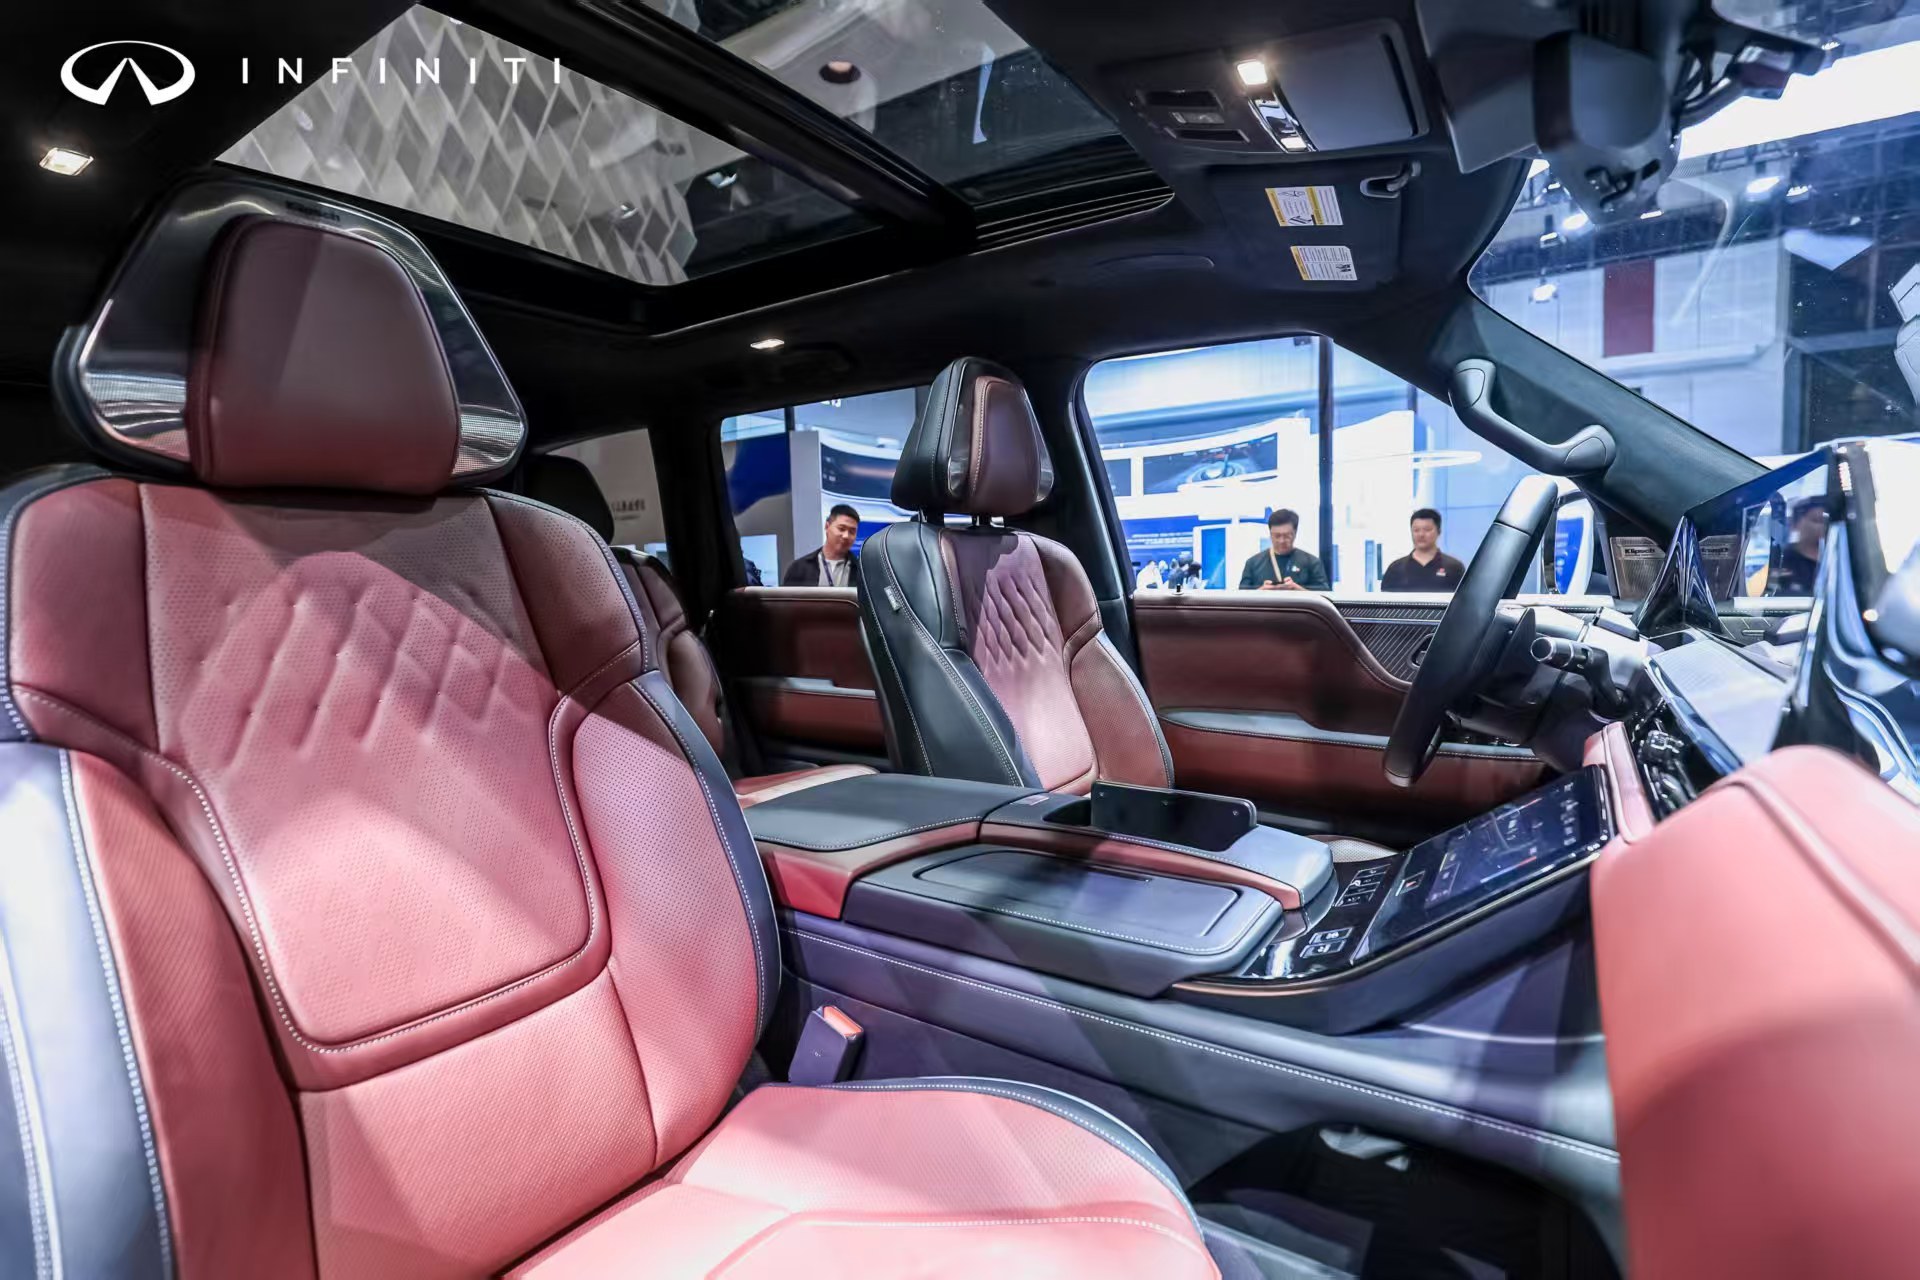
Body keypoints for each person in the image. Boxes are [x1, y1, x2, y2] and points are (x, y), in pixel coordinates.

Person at [1238, 509, 1329, 591]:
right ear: (1270, 534)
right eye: (1277, 536)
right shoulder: (1253, 563)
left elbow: (1324, 597)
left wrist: (1296, 589)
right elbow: (1241, 599)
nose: (1281, 541)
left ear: (1295, 533)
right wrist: (1262, 591)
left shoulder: (1312, 562)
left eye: (1287, 536)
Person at [1381, 508, 1467, 593]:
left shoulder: (1454, 568)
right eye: (1416, 530)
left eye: (1427, 530)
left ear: (1439, 532)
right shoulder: (1396, 568)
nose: (1421, 534)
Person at [783, 503, 861, 587]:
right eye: (841, 529)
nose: (846, 536)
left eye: (852, 532)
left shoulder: (862, 571)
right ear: (827, 526)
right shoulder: (799, 568)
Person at [1768, 497, 1827, 595]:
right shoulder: (1781, 560)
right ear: (1795, 523)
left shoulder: (1842, 559)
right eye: (1817, 520)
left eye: (1827, 522)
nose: (1823, 526)